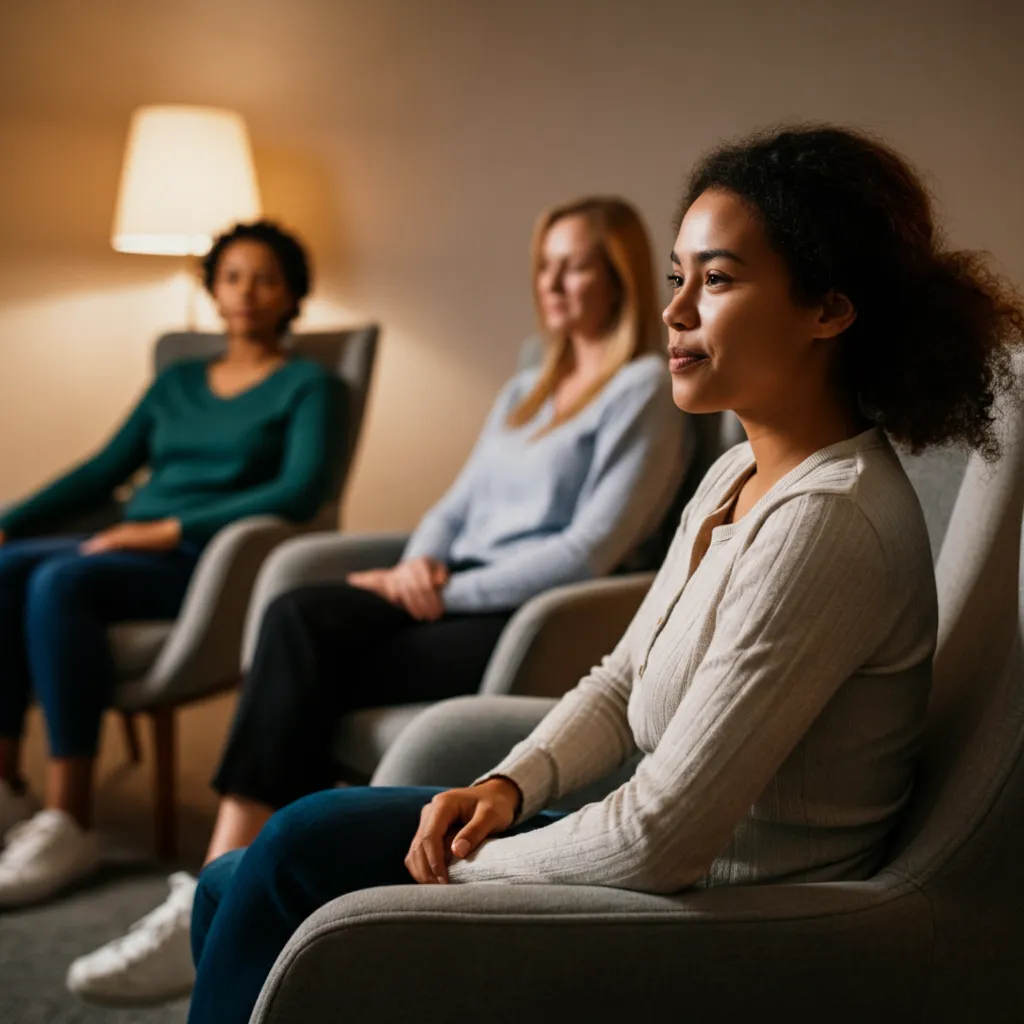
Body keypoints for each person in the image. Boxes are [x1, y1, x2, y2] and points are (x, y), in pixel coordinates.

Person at [179, 125, 1024, 1024]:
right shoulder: (735, 475)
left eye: (720, 278)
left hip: (730, 917)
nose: (676, 311)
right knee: (231, 884)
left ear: (830, 308)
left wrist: (456, 863)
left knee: (298, 848)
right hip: (666, 869)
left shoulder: (829, 522)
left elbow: (660, 839)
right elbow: (622, 683)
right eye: (678, 277)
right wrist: (507, 788)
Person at [66, 196, 686, 1005]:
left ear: (619, 278)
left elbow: (589, 550)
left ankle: (235, 884)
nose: (554, 283)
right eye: (545, 265)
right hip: (451, 591)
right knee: (300, 617)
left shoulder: (641, 387)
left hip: (529, 616)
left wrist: (447, 587)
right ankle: (239, 877)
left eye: (576, 266)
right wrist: (417, 560)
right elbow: (455, 504)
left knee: (309, 646)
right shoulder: (529, 386)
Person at [0, 220, 346, 909]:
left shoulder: (311, 386)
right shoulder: (178, 382)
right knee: (8, 566)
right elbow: (103, 471)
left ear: (292, 295)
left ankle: (70, 820)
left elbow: (300, 492)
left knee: (59, 580)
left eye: (266, 278)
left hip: (208, 564)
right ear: (214, 289)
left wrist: (166, 529)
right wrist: (6, 521)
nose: (248, 291)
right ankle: (8, 791)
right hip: (128, 544)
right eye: (234, 276)